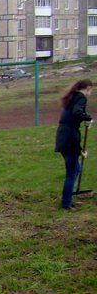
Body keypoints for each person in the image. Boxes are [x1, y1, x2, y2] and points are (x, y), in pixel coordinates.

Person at [55, 79, 93, 209]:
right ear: (88, 88)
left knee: (76, 169)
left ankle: (69, 198)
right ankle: (66, 203)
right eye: (91, 90)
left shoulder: (71, 97)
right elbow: (77, 112)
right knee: (72, 172)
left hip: (62, 135)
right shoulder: (81, 97)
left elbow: (73, 113)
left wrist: (85, 116)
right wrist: (87, 118)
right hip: (70, 137)